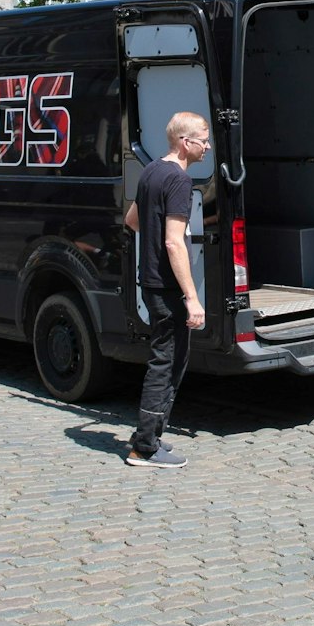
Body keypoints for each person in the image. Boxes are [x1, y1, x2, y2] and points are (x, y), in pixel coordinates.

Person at [121, 111, 210, 468]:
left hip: (152, 283)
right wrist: (192, 298)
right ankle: (144, 447)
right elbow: (174, 243)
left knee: (169, 360)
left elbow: (131, 220)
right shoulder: (178, 181)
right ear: (185, 143)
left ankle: (150, 434)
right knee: (166, 363)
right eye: (203, 139)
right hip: (168, 289)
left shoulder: (152, 171)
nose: (207, 146)